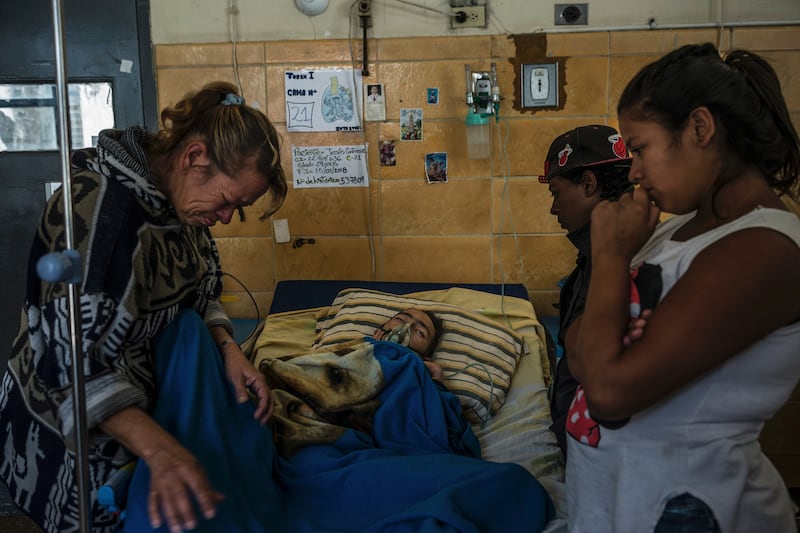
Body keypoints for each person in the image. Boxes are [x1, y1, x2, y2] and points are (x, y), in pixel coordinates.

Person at [0, 80, 288, 533]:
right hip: (72, 426)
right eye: (229, 201)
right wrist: (159, 450)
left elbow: (204, 288)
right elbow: (71, 367)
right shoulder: (95, 218)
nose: (228, 217)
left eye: (240, 207)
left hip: (151, 400)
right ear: (194, 158)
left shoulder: (181, 207)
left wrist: (227, 348)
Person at [564, 43, 800, 532]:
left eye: (640, 147)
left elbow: (607, 389)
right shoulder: (679, 228)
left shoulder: (766, 247)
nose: (633, 172)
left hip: (688, 508)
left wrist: (611, 256)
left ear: (699, 128)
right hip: (625, 500)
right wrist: (604, 349)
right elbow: (576, 343)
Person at [537, 124, 632, 459]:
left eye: (556, 193)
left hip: (604, 452)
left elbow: (587, 361)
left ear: (589, 183)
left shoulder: (617, 257)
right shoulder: (600, 255)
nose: (553, 208)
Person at [372, 308, 444, 379]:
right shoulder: (362, 348)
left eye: (420, 332)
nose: (408, 326)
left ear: (423, 360)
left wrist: (437, 378)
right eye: (400, 320)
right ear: (377, 333)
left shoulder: (417, 384)